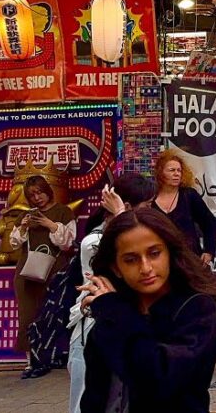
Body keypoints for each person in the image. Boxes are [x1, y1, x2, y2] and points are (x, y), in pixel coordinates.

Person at [78, 207, 216, 412]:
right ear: (116, 268)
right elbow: (95, 393)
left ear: (169, 254)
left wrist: (116, 312)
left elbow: (160, 380)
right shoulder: (113, 310)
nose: (145, 268)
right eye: (131, 260)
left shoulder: (196, 308)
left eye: (154, 254)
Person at [68, 174, 157, 412]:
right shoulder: (95, 242)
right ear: (127, 206)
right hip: (95, 326)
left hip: (126, 325)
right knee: (89, 398)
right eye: (147, 205)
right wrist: (121, 216)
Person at [10, 175, 76, 361]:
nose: (37, 198)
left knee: (56, 313)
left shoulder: (63, 212)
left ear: (47, 190)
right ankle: (31, 359)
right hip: (28, 271)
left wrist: (50, 225)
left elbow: (67, 243)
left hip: (56, 270)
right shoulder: (26, 215)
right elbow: (14, 243)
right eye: (32, 195)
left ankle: (55, 356)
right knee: (28, 314)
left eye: (40, 192)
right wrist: (23, 227)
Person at [153, 151, 216, 267]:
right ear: (160, 172)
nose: (177, 174)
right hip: (160, 261)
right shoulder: (151, 198)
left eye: (179, 170)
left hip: (189, 259)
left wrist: (209, 251)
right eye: (172, 170)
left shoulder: (189, 195)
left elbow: (210, 223)